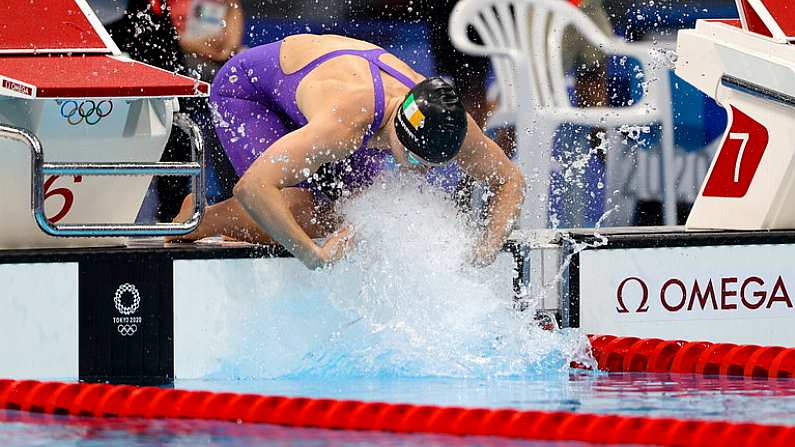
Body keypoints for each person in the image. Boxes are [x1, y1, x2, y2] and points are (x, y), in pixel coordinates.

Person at [173, 34, 525, 270]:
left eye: (436, 165)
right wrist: (314, 256)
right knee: (305, 213)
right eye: (418, 161)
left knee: (358, 214)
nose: (424, 172)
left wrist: (485, 250)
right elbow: (253, 187)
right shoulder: (344, 125)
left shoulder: (446, 120)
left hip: (317, 103)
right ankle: (198, 218)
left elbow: (510, 180)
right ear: (398, 134)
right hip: (252, 93)